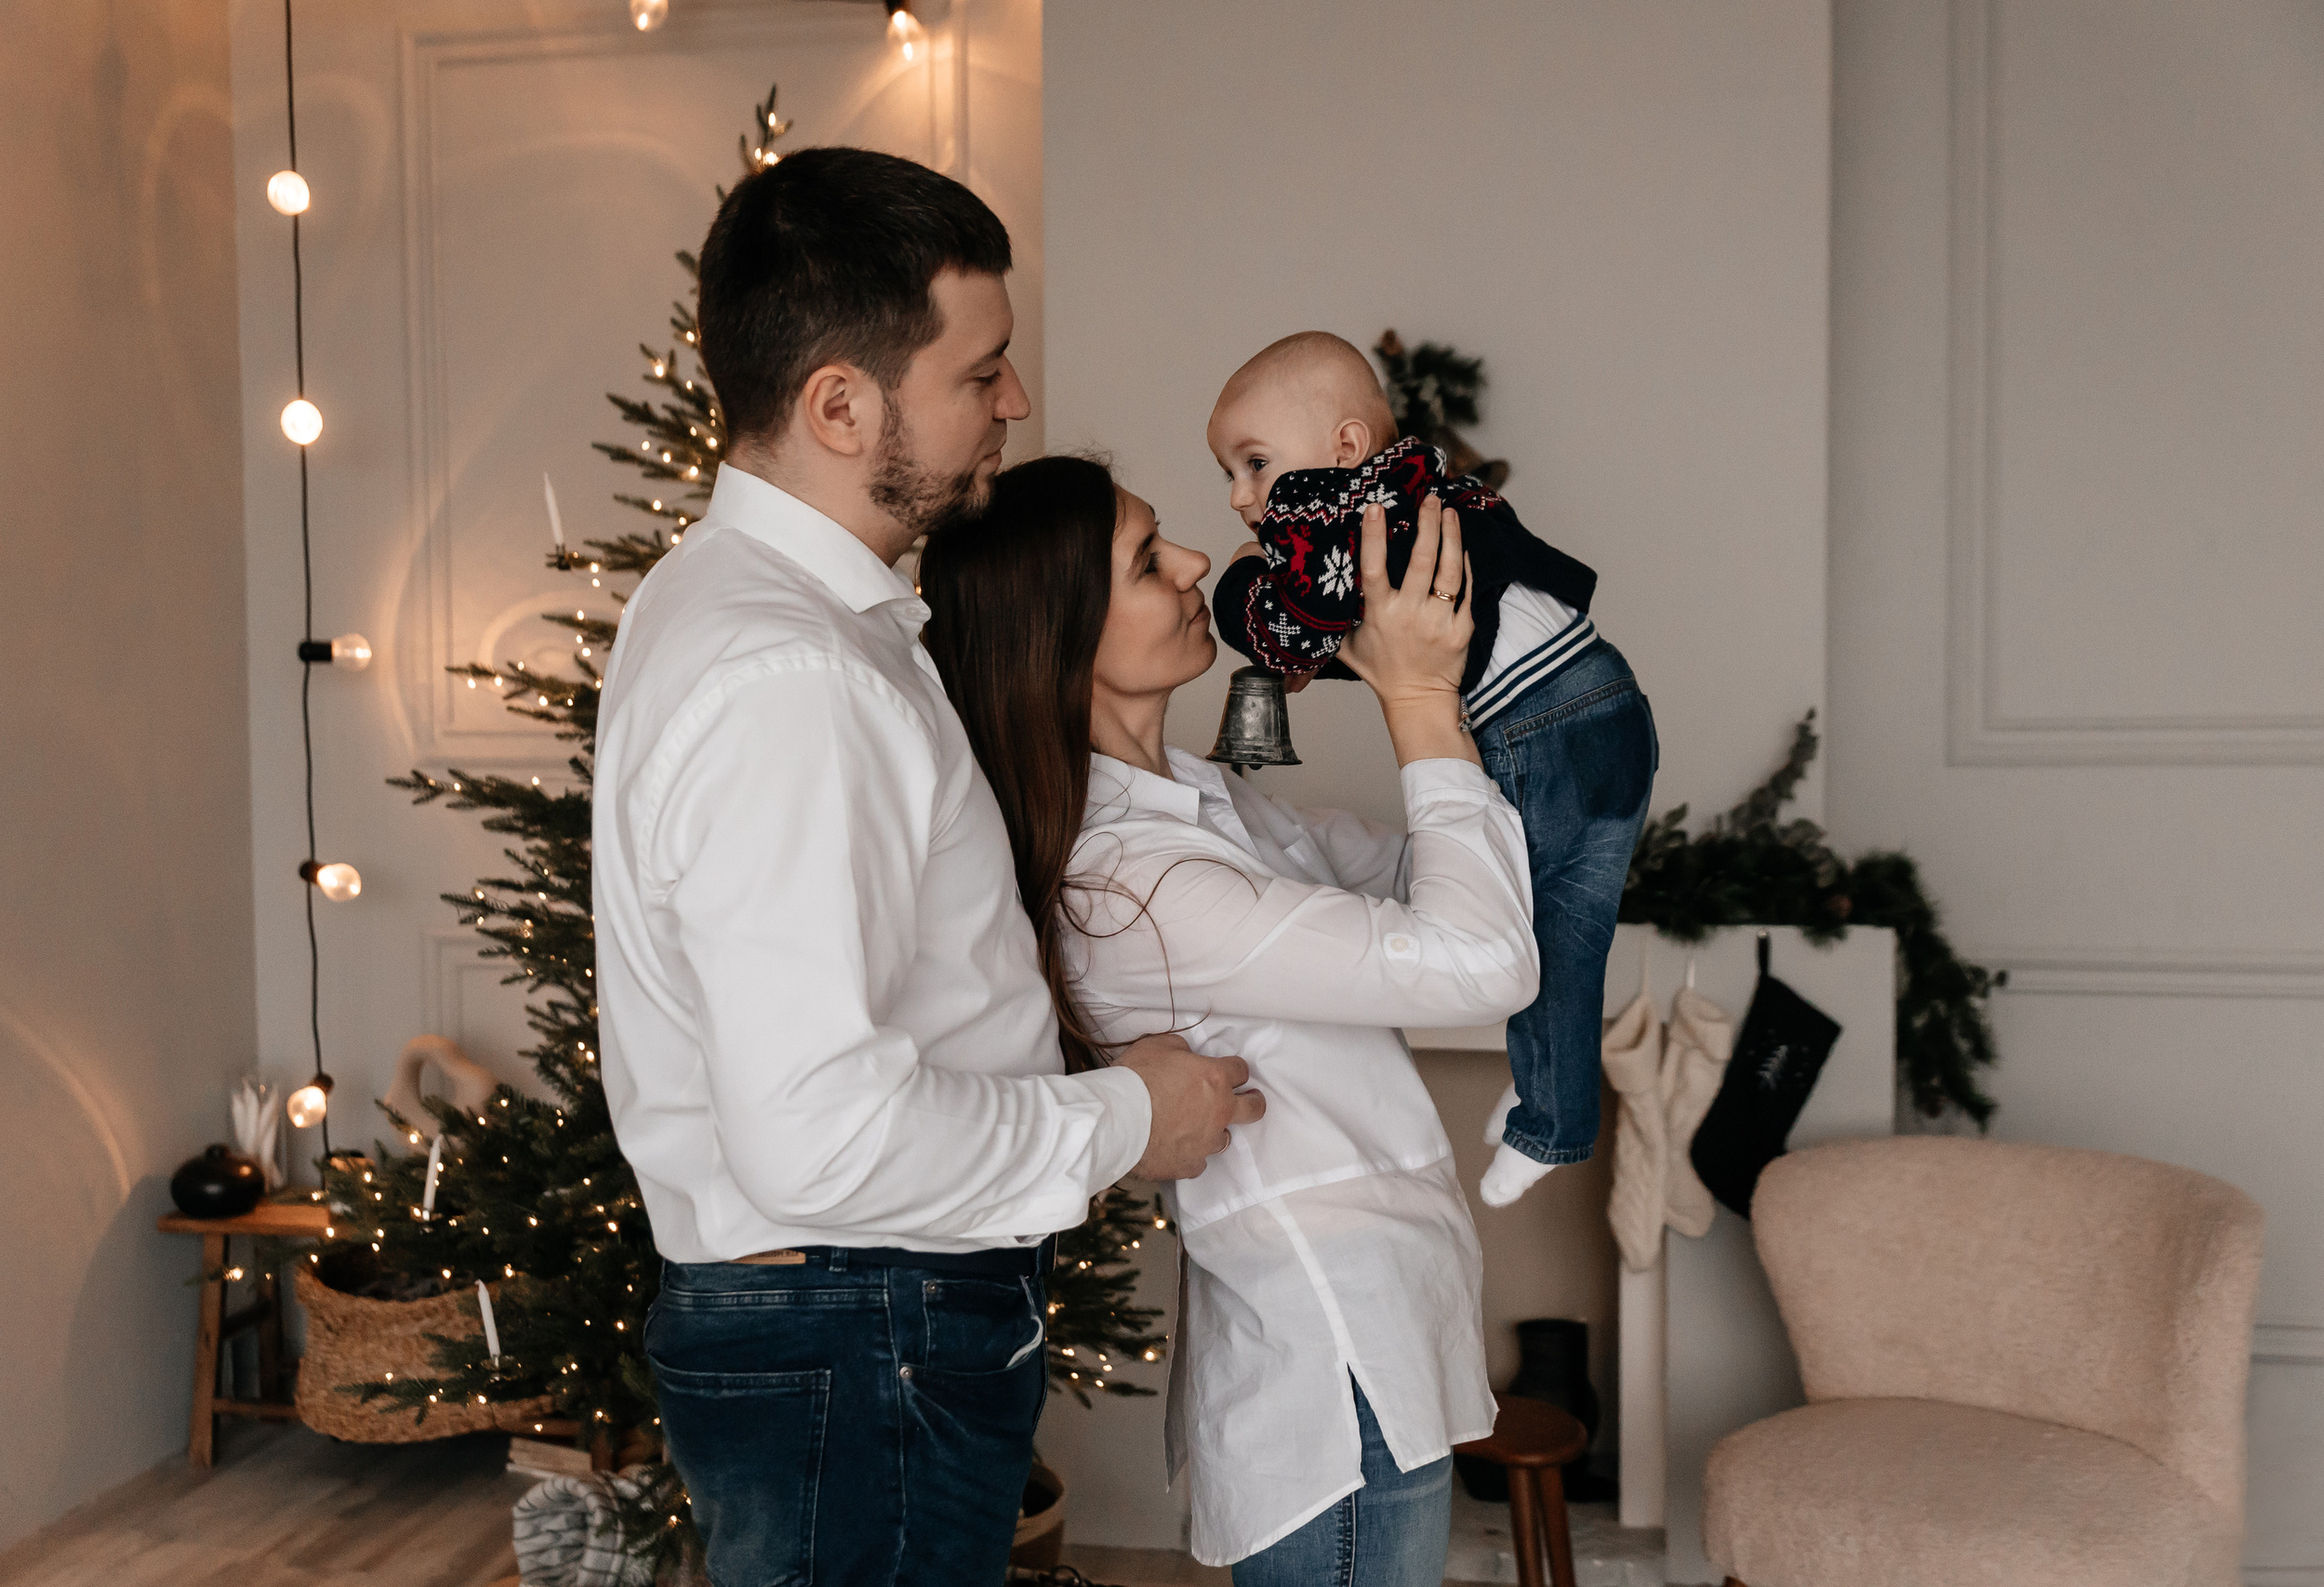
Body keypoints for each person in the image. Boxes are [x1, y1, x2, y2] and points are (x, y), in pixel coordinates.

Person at [591, 148, 1263, 1587]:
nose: (1014, 401)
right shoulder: (786, 672)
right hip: (861, 1330)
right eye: (982, 370)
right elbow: (819, 1134)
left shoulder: (752, 617)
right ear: (842, 403)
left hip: (854, 1327)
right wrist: (1123, 1119)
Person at [919, 456, 1539, 1583]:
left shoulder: (1200, 800)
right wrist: (1413, 701)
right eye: (1149, 560)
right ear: (1061, 632)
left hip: (1379, 1325)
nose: (1198, 562)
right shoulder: (1131, 883)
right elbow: (1479, 959)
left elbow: (1430, 872)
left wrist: (1453, 668)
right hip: (1331, 1361)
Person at [1206, 331, 1659, 1208]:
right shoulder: (1423, 481)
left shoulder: (1346, 510)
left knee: (1529, 935)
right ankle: (1545, 1100)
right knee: (1572, 932)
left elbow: (1292, 621)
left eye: (1254, 464)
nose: (1239, 495)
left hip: (1539, 725)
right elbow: (1407, 633)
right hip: (1610, 700)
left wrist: (1240, 587)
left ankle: (1554, 1124)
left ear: (1342, 448)